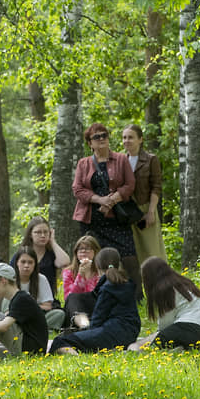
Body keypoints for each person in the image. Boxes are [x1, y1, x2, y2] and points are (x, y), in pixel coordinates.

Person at [72, 123, 141, 299]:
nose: (102, 139)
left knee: (128, 256)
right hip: (91, 220)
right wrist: (99, 199)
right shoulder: (83, 163)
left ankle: (136, 296)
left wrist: (112, 200)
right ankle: (98, 295)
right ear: (90, 143)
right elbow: (78, 190)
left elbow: (130, 185)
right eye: (97, 137)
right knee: (94, 259)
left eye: (104, 135)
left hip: (117, 219)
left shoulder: (121, 159)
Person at [49, 248, 141, 355]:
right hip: (131, 332)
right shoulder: (128, 283)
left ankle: (76, 357)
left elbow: (98, 319)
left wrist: (86, 333)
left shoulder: (106, 288)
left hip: (113, 332)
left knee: (60, 341)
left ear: (97, 266)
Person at [129, 258, 200, 351]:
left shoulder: (164, 289)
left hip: (184, 330)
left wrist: (154, 338)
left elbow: (165, 324)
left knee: (147, 347)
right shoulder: (184, 283)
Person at [122, 124, 167, 261]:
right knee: (133, 253)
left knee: (152, 251)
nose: (126, 141)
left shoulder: (151, 159)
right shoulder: (121, 160)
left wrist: (151, 212)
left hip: (145, 208)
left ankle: (162, 281)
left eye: (130, 137)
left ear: (140, 139)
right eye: (124, 137)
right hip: (128, 212)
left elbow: (156, 187)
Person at [9, 217, 69, 303]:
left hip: (46, 301)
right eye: (38, 232)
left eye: (46, 232)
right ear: (30, 234)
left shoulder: (51, 254)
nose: (43, 235)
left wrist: (52, 241)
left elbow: (64, 262)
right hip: (21, 299)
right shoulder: (21, 255)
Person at [12, 247, 66, 330]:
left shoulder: (41, 279)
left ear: (35, 264)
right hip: (14, 316)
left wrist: (29, 306)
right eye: (23, 262)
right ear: (17, 263)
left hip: (36, 316)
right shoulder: (10, 279)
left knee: (59, 313)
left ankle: (27, 330)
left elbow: (47, 306)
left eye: (30, 262)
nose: (26, 266)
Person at [61, 235, 101, 328]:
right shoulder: (68, 272)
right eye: (80, 249)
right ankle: (84, 325)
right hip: (75, 311)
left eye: (87, 249)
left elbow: (98, 295)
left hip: (95, 308)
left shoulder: (100, 272)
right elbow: (68, 298)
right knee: (73, 297)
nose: (83, 251)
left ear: (95, 252)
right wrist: (80, 276)